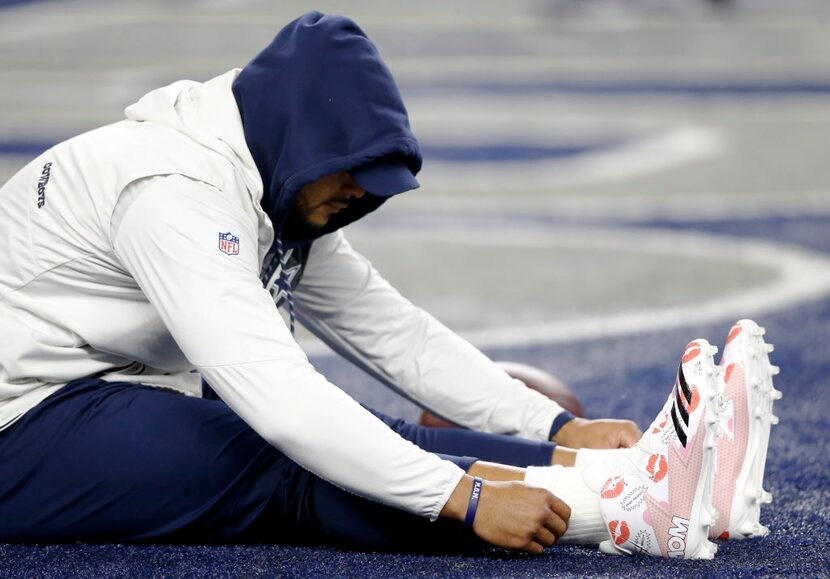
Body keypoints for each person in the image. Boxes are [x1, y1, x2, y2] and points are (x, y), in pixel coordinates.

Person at [0, 12, 779, 558]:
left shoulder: (265, 173)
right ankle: (628, 511)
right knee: (286, 458)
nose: (360, 199)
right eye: (352, 177)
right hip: (20, 425)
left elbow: (390, 330)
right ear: (302, 137)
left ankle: (652, 475)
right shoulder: (173, 190)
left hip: (80, 391)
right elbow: (278, 397)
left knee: (361, 439)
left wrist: (555, 429)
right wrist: (467, 499)